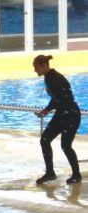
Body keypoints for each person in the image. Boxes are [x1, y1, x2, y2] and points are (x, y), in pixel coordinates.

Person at [34, 54, 82, 185]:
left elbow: (60, 98)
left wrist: (46, 110)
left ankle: (77, 175)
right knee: (45, 140)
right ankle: (50, 173)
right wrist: (47, 110)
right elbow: (57, 98)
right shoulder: (49, 77)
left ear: (43, 66)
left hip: (71, 114)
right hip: (62, 113)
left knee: (66, 145)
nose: (35, 70)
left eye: (36, 67)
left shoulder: (55, 78)